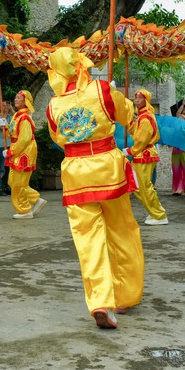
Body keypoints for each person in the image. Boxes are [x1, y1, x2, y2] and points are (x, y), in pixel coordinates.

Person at [46, 47, 143, 329]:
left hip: (76, 173)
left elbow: (58, 138)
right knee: (122, 232)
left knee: (88, 242)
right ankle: (124, 296)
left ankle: (100, 301)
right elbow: (126, 116)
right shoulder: (100, 89)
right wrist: (116, 95)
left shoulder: (53, 105)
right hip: (106, 169)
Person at [126, 88, 169, 226]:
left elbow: (141, 140)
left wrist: (130, 151)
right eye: (135, 97)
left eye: (140, 98)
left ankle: (159, 214)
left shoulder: (146, 118)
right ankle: (155, 212)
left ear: (146, 100)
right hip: (141, 154)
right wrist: (130, 122)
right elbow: (136, 134)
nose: (136, 100)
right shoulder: (142, 116)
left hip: (144, 154)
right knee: (137, 185)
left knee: (144, 186)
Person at [6, 89, 46, 219]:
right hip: (18, 150)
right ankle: (35, 199)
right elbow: (13, 134)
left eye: (18, 98)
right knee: (13, 181)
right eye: (16, 97)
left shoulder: (24, 118)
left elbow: (24, 138)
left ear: (25, 101)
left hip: (24, 151)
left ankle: (24, 210)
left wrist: (12, 151)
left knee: (18, 183)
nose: (15, 100)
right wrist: (5, 127)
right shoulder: (16, 116)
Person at [170, 105, 185, 196]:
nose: (180, 120)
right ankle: (177, 189)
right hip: (176, 149)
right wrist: (182, 105)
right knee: (176, 170)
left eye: (182, 119)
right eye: (179, 119)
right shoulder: (176, 128)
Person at [0, 100, 12, 195]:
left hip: (11, 145)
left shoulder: (11, 117)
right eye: (3, 105)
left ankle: (8, 186)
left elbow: (20, 121)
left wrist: (11, 109)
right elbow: (3, 128)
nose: (5, 107)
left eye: (6, 105)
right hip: (2, 145)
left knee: (10, 168)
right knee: (1, 167)